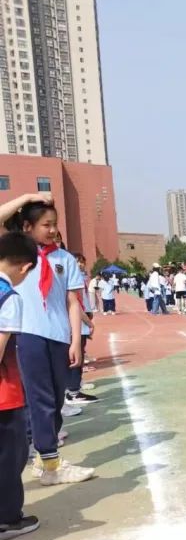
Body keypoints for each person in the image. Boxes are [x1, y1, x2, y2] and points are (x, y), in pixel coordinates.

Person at [0, 194, 94, 485]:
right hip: (28, 335)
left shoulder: (64, 259)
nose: (52, 230)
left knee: (54, 401)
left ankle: (44, 459)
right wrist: (28, 197)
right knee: (40, 401)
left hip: (59, 336)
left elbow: (72, 302)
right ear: (27, 226)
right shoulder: (18, 253)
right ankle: (51, 463)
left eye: (55, 224)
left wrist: (76, 340)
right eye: (46, 224)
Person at [0, 232, 41, 539]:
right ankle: (8, 518)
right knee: (11, 456)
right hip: (5, 396)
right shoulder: (9, 298)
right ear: (26, 269)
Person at [65, 253, 98, 406]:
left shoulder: (80, 279)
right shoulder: (71, 282)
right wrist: (89, 323)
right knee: (75, 359)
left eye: (82, 262)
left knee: (79, 357)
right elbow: (75, 305)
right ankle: (72, 392)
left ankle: (74, 389)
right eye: (77, 262)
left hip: (82, 321)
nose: (80, 265)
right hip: (78, 323)